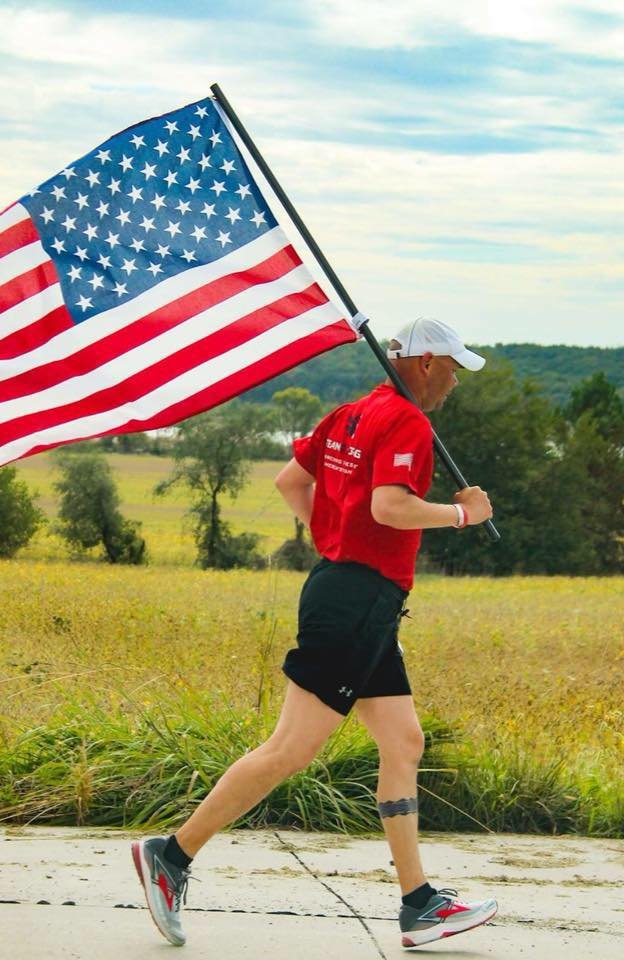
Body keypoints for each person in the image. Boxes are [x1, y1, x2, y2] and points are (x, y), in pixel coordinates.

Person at [133, 317, 497, 949]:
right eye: (454, 368)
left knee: (403, 742)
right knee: (290, 750)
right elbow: (390, 506)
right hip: (355, 602)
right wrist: (465, 514)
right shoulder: (408, 421)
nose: (457, 382)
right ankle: (172, 855)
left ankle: (417, 903)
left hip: (356, 597)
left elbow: (290, 481)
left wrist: (334, 540)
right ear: (427, 362)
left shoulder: (351, 413)